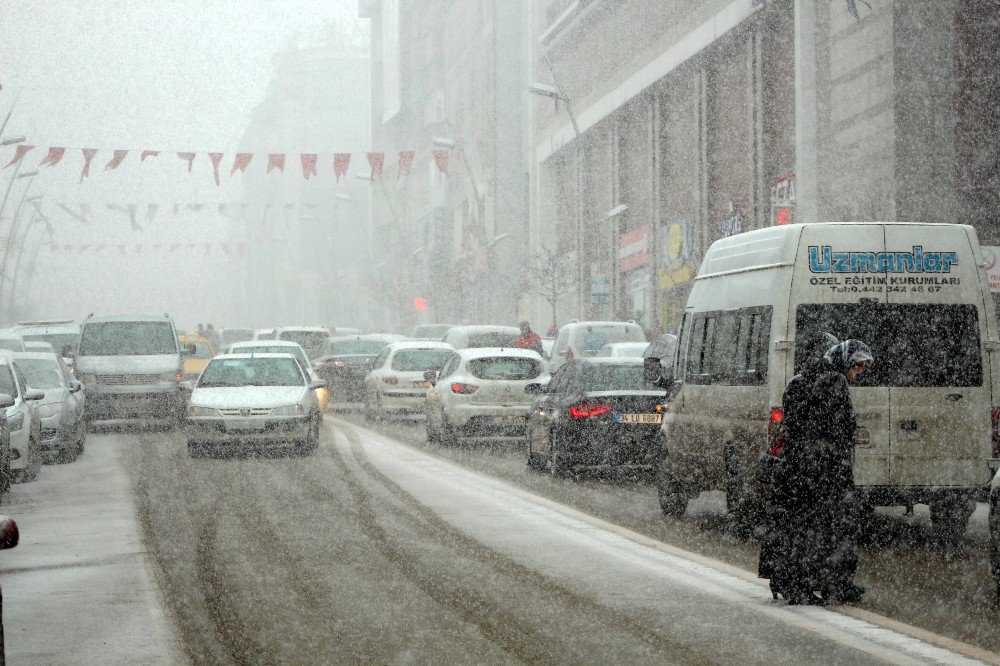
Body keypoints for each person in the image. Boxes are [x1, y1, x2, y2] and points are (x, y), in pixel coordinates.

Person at [764, 337, 872, 605]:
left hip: (807, 469)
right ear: (844, 360)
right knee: (823, 529)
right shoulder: (831, 382)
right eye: (858, 366)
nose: (861, 372)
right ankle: (818, 584)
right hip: (819, 471)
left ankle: (807, 583)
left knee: (809, 529)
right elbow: (829, 430)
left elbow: (804, 425)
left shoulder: (808, 379)